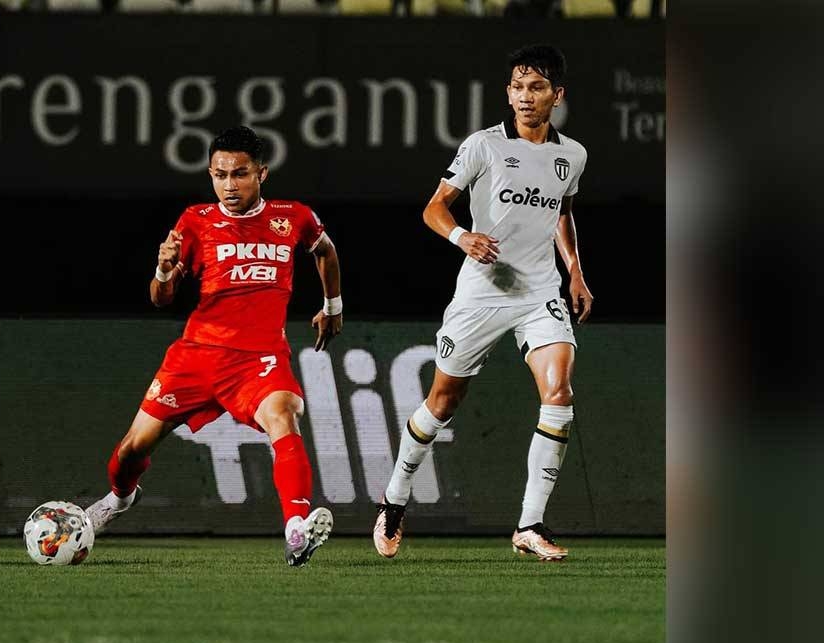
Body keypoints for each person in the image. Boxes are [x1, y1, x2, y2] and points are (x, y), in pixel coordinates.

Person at [84, 126, 343, 567]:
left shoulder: (292, 216)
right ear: (210, 173)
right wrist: (165, 271)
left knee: (284, 417)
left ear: (262, 173)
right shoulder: (195, 221)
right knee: (130, 451)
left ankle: (296, 529)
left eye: (239, 174)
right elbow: (160, 299)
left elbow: (325, 250)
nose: (228, 185)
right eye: (219, 174)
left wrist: (332, 306)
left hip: (259, 359)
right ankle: (119, 498)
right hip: (196, 356)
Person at [373, 45, 593, 561]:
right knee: (442, 404)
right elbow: (433, 209)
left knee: (558, 392)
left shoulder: (573, 155)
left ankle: (529, 525)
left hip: (540, 292)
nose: (524, 96)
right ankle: (394, 499)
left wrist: (575, 272)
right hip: (481, 292)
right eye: (516, 87)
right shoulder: (483, 146)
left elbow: (561, 210)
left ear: (557, 96)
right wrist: (463, 238)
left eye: (536, 87)